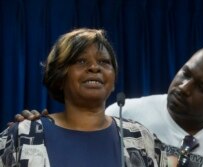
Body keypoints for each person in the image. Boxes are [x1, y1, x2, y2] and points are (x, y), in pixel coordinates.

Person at [10, 45, 203, 166]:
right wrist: (40, 132)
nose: (183, 88)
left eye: (202, 88)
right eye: (185, 73)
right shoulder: (124, 113)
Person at [0, 28, 176, 167]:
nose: (94, 67)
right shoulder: (24, 135)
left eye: (104, 62)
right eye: (81, 61)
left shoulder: (139, 138)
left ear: (114, 80)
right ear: (59, 76)